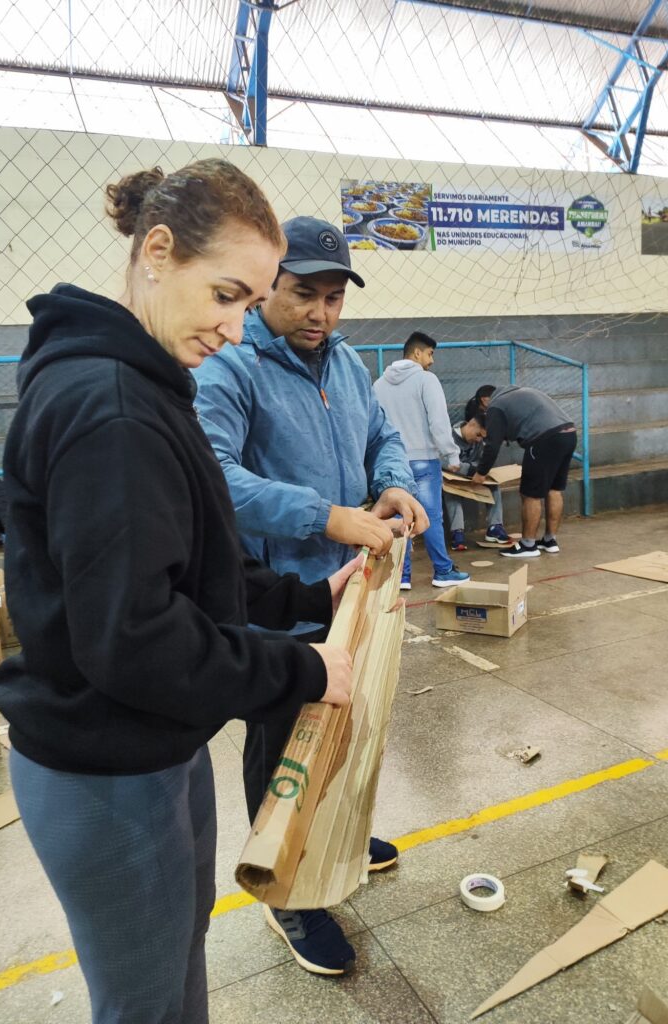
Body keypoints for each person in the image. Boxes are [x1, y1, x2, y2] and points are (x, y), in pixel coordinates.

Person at [0, 162, 362, 1024]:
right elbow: (136, 638)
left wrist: (305, 598)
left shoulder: (145, 386)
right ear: (157, 251)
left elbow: (192, 563)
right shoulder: (112, 407)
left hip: (156, 747)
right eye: (227, 295)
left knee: (173, 976)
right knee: (147, 1006)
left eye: (248, 302)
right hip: (105, 766)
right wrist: (301, 670)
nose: (236, 329)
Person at [194, 215, 428, 977]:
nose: (321, 314)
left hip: (353, 587)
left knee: (346, 722)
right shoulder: (230, 369)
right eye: (304, 295)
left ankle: (339, 835)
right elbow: (213, 478)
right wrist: (324, 516)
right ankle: (284, 886)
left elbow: (379, 439)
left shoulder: (348, 363)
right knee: (284, 742)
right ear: (267, 289)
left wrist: (391, 480)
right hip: (279, 598)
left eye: (334, 298)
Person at [373, 331, 470, 590]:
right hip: (424, 462)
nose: (432, 360)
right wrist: (451, 454)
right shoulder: (427, 381)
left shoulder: (378, 385)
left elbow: (373, 426)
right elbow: (438, 422)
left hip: (393, 464)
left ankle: (401, 576)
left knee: (401, 520)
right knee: (430, 518)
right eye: (430, 354)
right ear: (417, 353)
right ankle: (443, 570)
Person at [471, 384, 577, 557]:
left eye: (483, 411)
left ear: (484, 400)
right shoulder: (521, 393)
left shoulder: (496, 405)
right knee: (554, 489)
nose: (486, 415)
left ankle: (528, 544)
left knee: (530, 494)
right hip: (568, 434)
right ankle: (550, 540)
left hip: (544, 439)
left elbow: (492, 445)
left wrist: (481, 473)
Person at [446, 410, 510, 550]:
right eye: (478, 435)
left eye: (482, 437)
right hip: (449, 478)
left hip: (470, 476)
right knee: (451, 491)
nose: (479, 439)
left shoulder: (479, 441)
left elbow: (481, 461)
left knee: (494, 485)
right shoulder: (447, 436)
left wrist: (477, 471)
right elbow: (445, 463)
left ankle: (495, 527)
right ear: (471, 424)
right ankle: (457, 533)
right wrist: (471, 470)